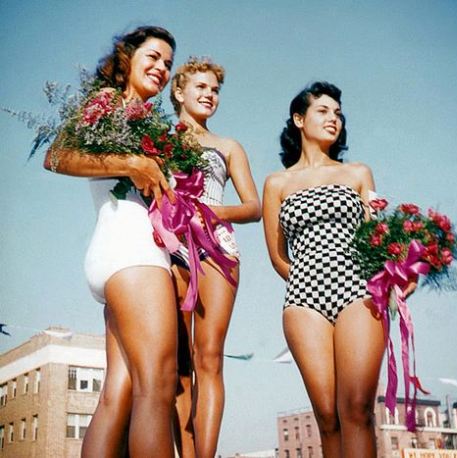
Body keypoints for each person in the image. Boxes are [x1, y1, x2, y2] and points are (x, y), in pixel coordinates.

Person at [44, 26, 179, 458]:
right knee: (157, 387)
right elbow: (57, 156)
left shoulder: (152, 123)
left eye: (168, 64)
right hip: (131, 250)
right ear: (127, 56)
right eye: (154, 57)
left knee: (117, 395)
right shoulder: (108, 103)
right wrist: (133, 162)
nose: (162, 68)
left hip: (123, 256)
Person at [262, 81, 415, 457]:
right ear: (299, 119)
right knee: (327, 416)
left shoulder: (358, 174)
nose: (334, 118)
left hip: (358, 291)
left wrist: (396, 274)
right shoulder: (276, 183)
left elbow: (377, 238)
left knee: (357, 410)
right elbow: (278, 255)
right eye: (323, 111)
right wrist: (308, 277)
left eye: (338, 113)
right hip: (303, 298)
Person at [169, 57, 261, 457]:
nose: (209, 95)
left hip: (217, 250)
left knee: (208, 358)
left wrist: (210, 213)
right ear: (179, 92)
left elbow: (254, 207)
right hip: (168, 246)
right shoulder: (156, 138)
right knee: (176, 363)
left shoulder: (227, 146)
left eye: (215, 90)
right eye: (201, 87)